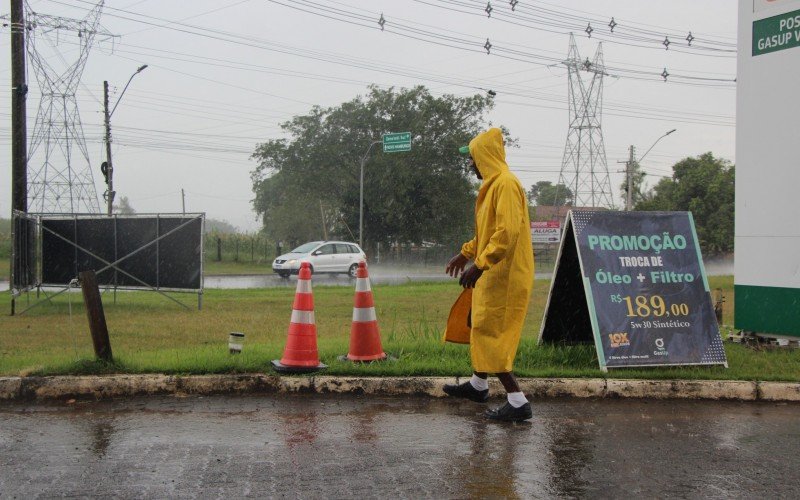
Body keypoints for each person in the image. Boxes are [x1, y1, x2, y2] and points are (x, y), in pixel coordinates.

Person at [444, 127, 535, 422]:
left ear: (482, 156)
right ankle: (478, 385)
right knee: (477, 323)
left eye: (471, 158)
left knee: (493, 333)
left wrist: (480, 264)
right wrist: (467, 252)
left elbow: (506, 233)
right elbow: (487, 233)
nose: (470, 164)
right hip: (492, 271)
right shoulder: (493, 186)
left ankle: (517, 401)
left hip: (504, 274)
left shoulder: (506, 184)